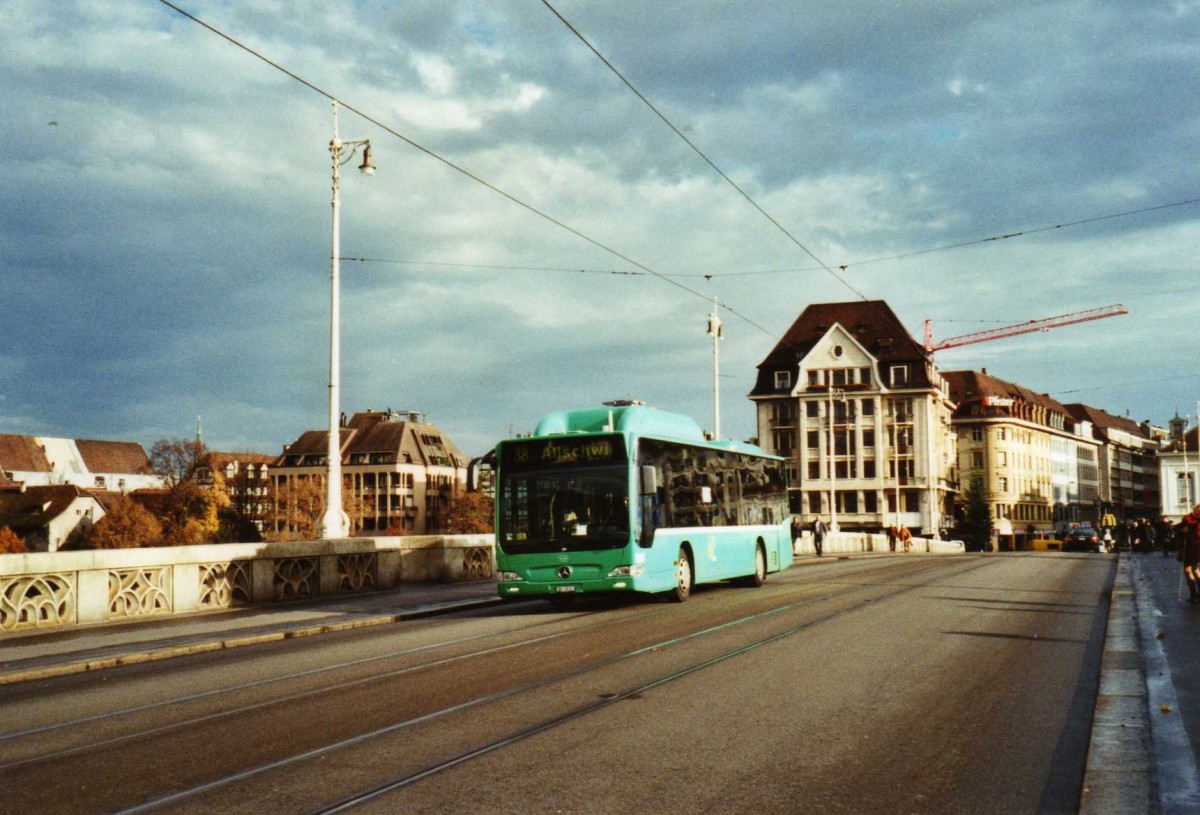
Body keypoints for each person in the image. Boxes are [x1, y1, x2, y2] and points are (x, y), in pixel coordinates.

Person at [1178, 505, 1200, 603]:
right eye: (1197, 509)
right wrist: (1183, 530)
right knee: (1190, 570)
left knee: (1193, 569)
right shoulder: (1187, 518)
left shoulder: (1194, 520)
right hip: (1188, 548)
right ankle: (1194, 594)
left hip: (1196, 548)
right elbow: (1178, 529)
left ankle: (1195, 594)